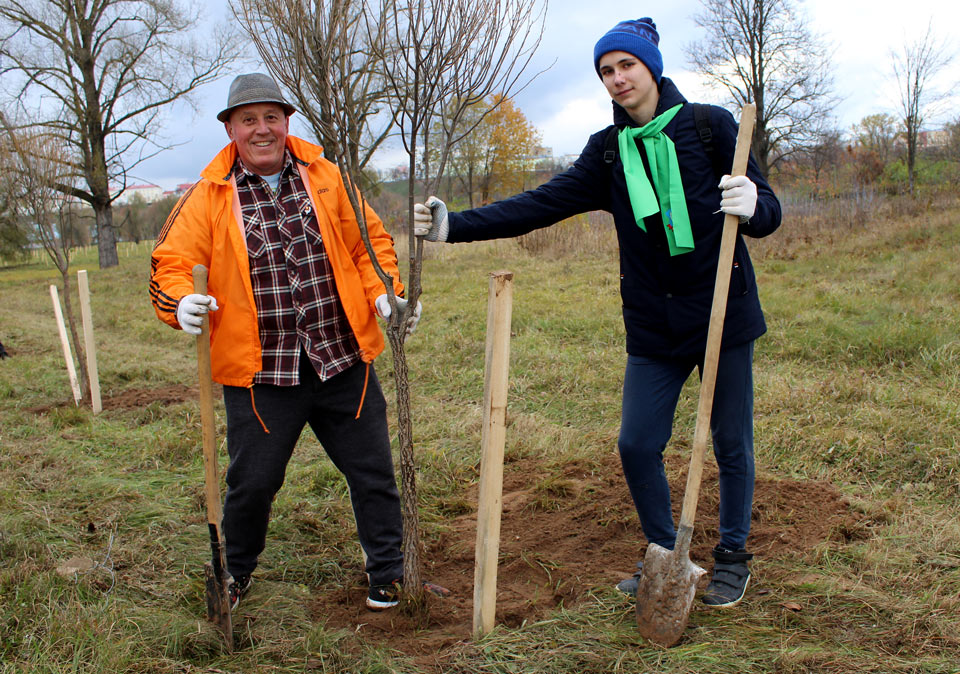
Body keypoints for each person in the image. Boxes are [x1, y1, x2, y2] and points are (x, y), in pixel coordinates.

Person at [414, 18, 781, 609]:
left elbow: (769, 214)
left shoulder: (711, 128)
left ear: (651, 67)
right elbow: (541, 204)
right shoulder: (608, 152)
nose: (617, 78)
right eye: (606, 70)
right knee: (637, 443)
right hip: (654, 324)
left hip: (722, 314)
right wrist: (454, 226)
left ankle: (733, 558)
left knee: (730, 442)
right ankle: (665, 555)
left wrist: (754, 203)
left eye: (626, 65)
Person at [150, 73, 420, 612]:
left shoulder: (326, 177)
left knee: (373, 472)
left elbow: (369, 245)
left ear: (287, 122)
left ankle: (389, 574)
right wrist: (179, 303)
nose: (262, 129)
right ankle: (235, 573)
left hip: (341, 357)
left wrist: (384, 293)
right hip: (261, 373)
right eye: (248, 119)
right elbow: (170, 263)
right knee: (252, 483)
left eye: (271, 117)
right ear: (230, 129)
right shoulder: (208, 195)